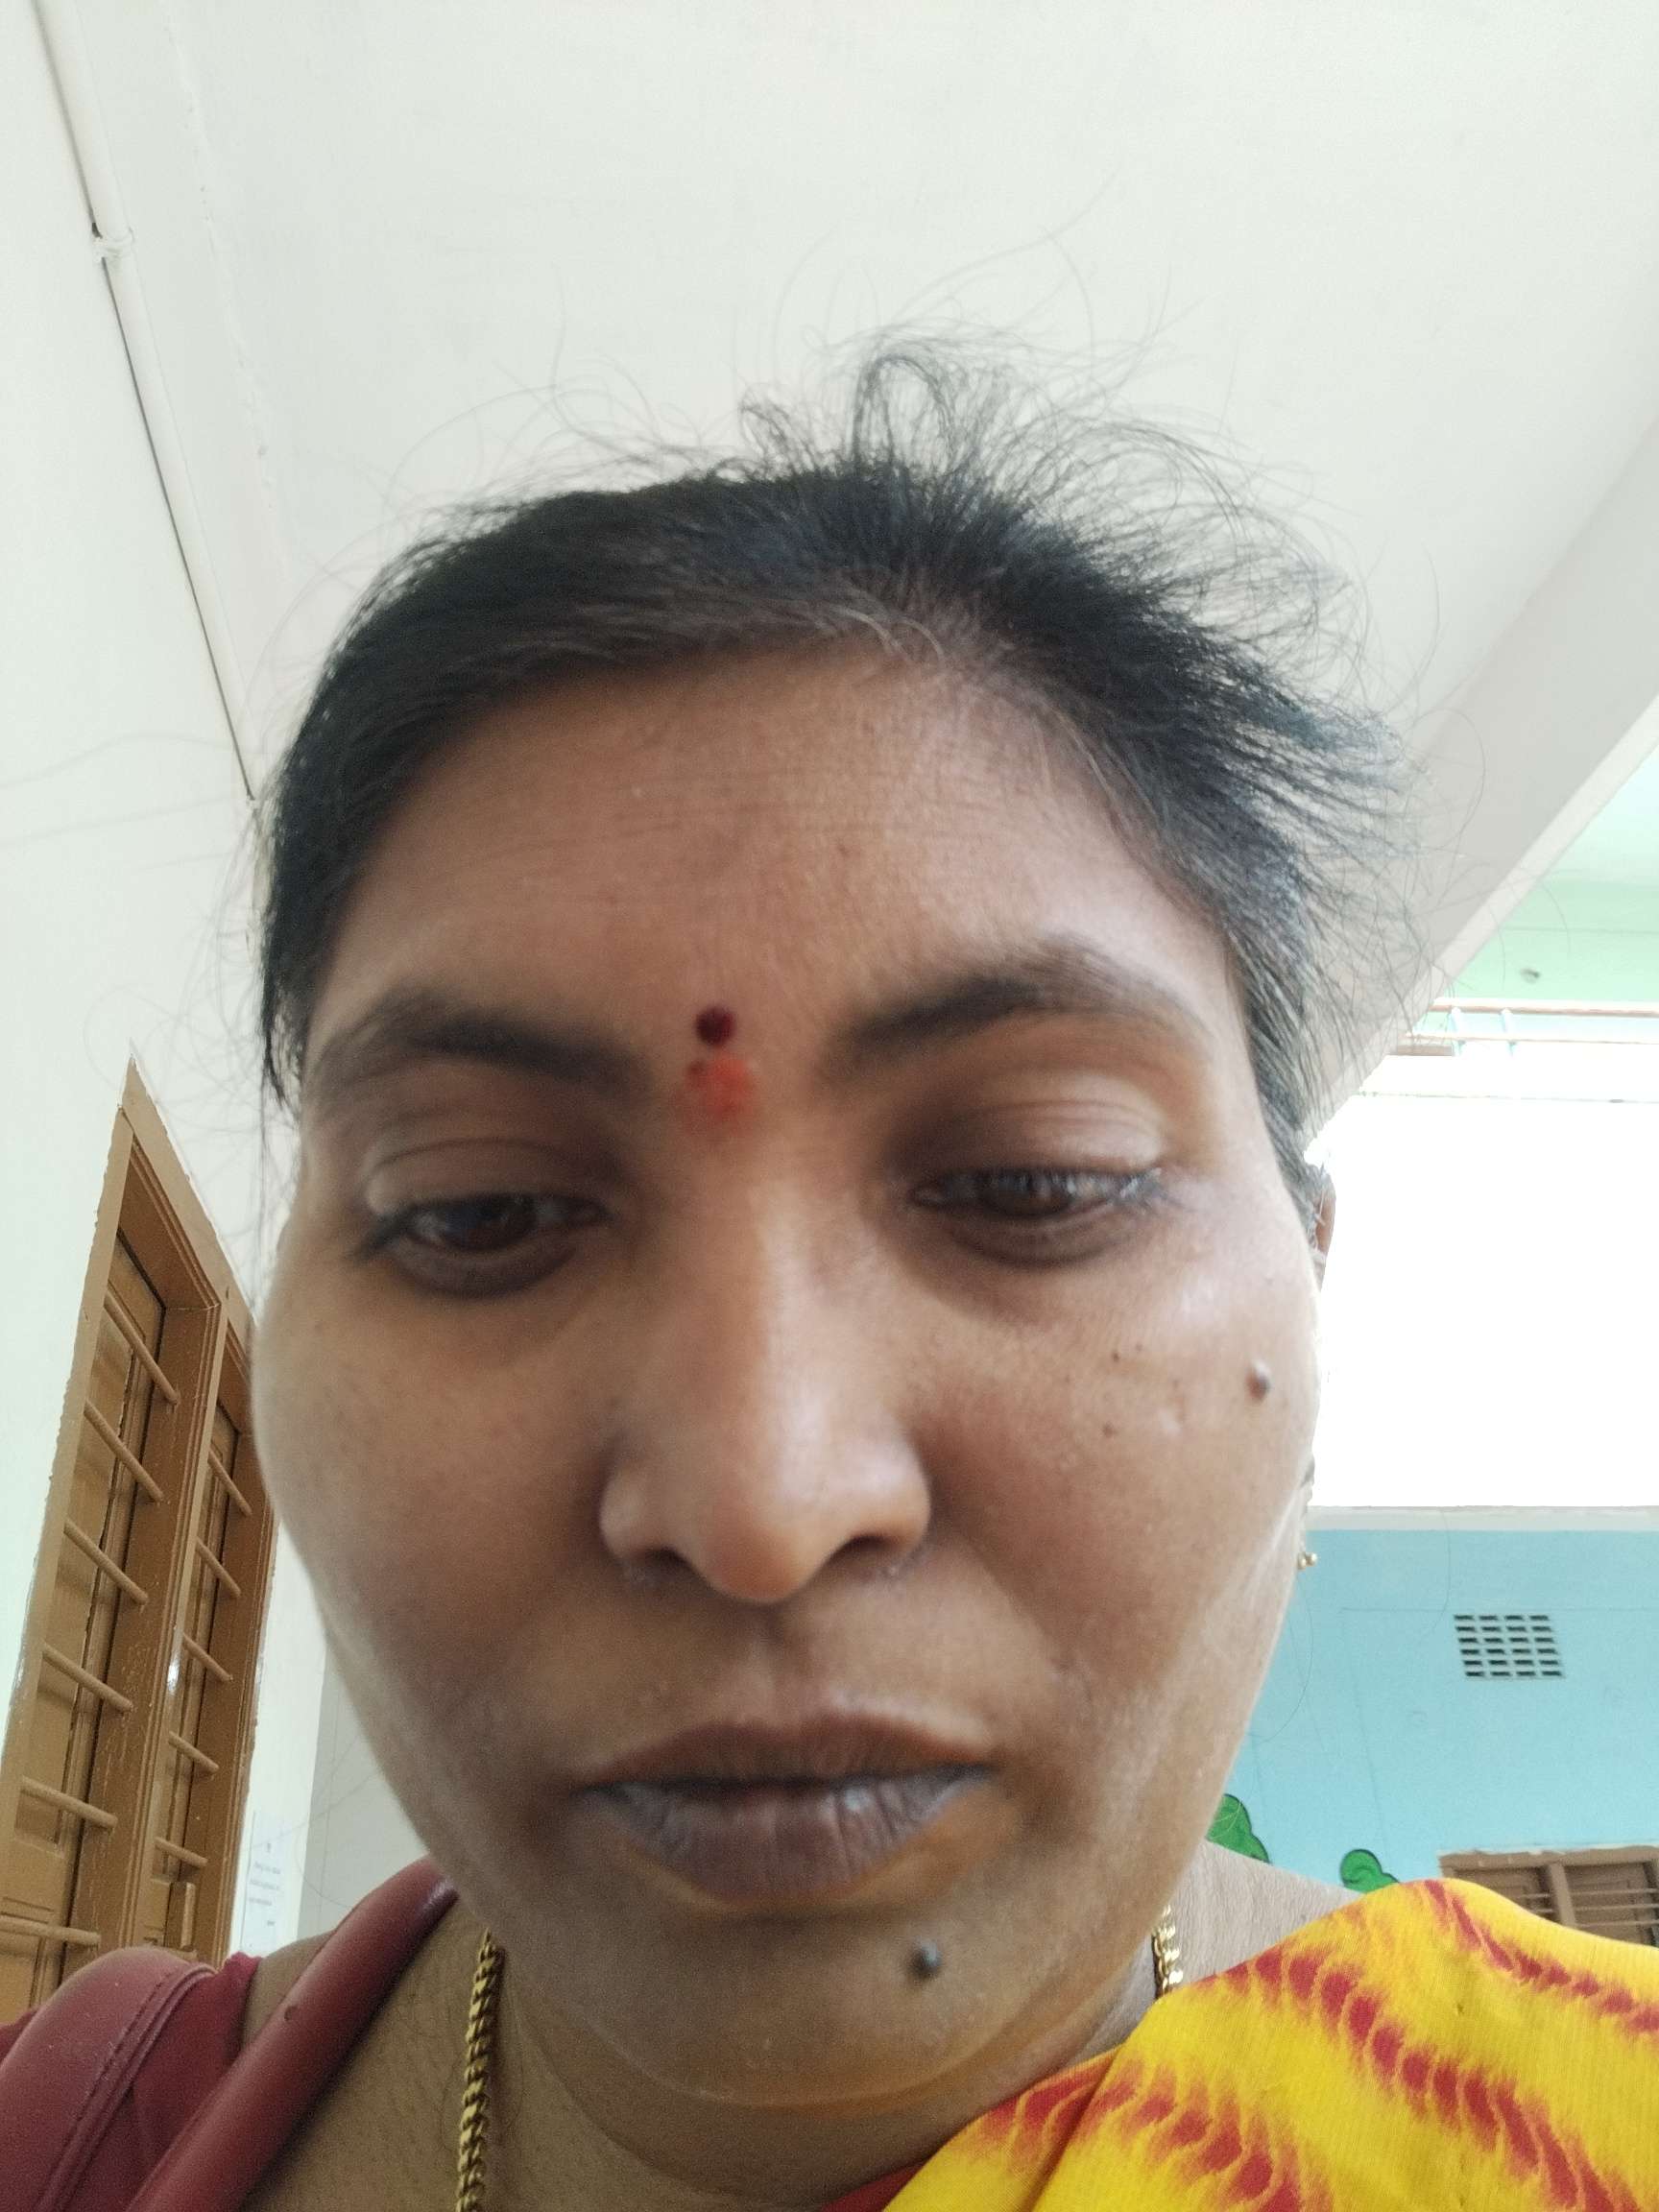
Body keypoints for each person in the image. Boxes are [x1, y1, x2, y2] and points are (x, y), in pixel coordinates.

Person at [6, 349, 1655, 2210]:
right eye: (478, 1211)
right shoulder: (74, 2147)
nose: (760, 1510)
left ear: (1312, 1300)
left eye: (1036, 1179)